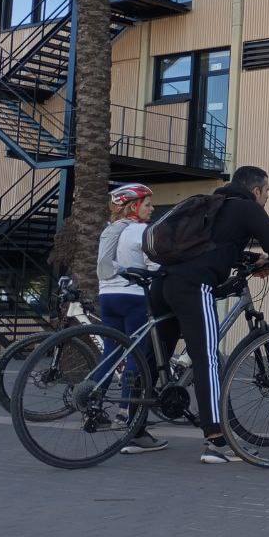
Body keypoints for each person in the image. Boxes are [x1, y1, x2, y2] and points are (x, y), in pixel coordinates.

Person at [149, 166, 269, 464]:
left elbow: (218, 248)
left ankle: (133, 429)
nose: (266, 199)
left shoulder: (212, 205)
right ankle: (216, 441)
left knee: (152, 356)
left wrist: (251, 259)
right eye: (267, 193)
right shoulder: (249, 209)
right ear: (256, 191)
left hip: (162, 283)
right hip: (192, 285)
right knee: (207, 359)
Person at [97, 183, 167, 455]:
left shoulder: (109, 230)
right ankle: (126, 411)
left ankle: (92, 403)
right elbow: (156, 266)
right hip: (134, 298)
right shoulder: (142, 231)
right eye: (147, 204)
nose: (152, 209)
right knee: (137, 356)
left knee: (110, 353)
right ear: (133, 206)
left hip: (107, 297)